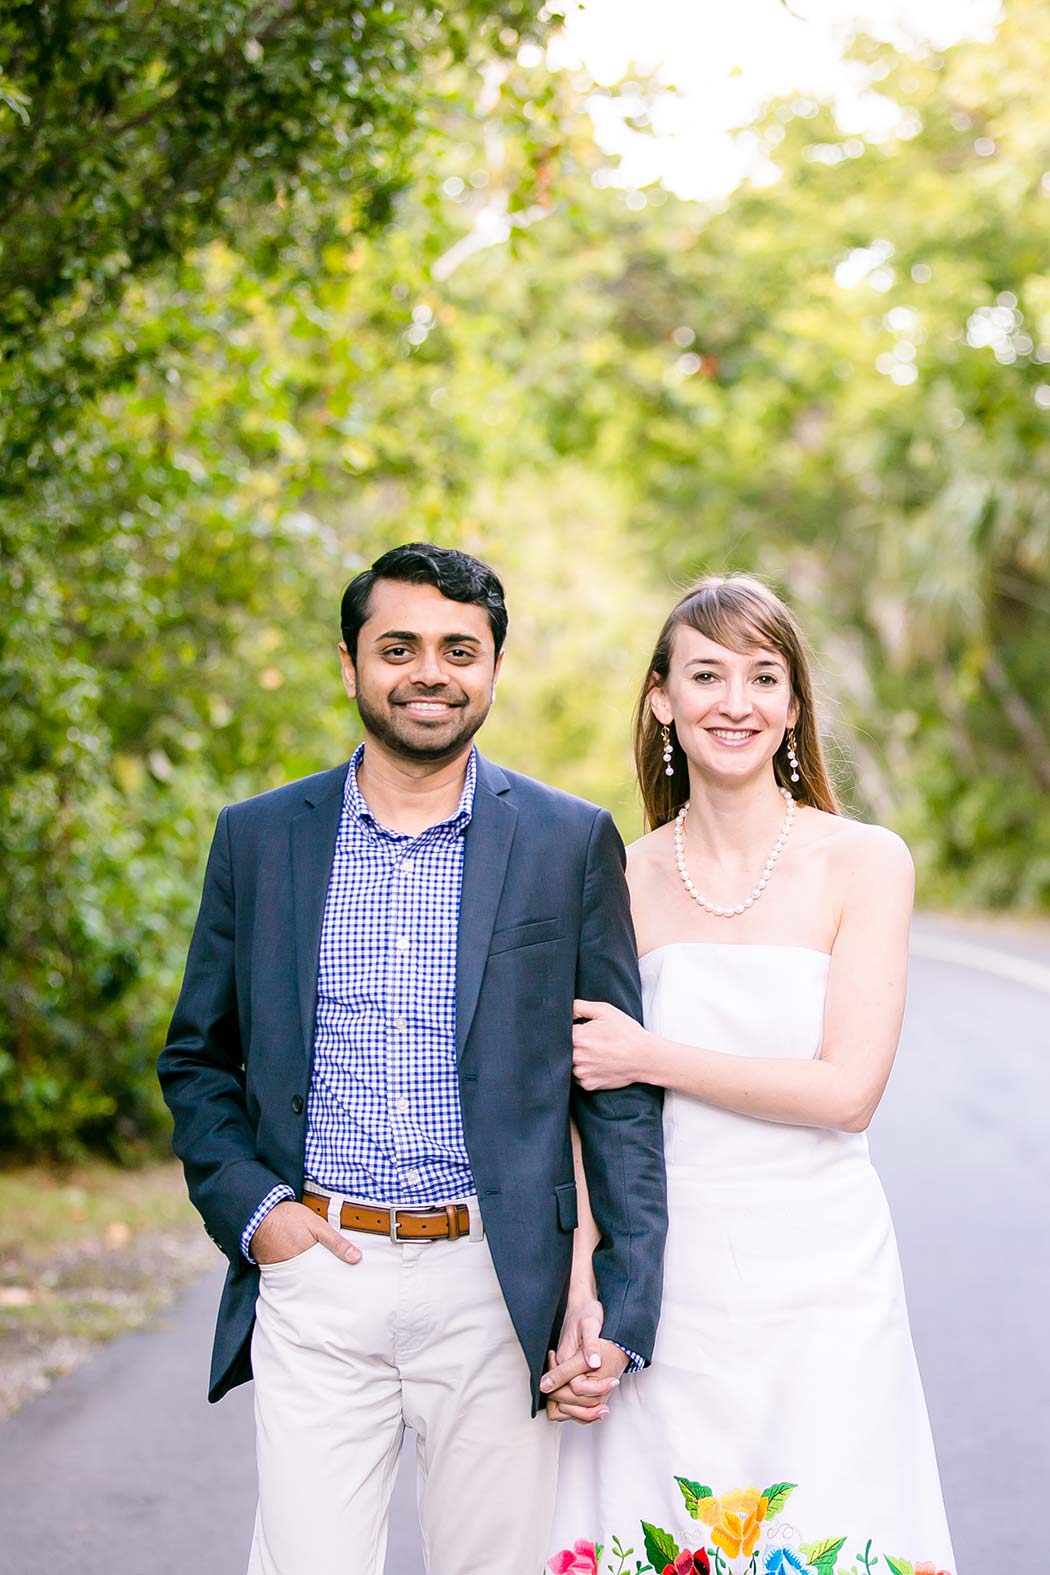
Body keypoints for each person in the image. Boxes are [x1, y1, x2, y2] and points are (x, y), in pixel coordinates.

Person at [157, 542, 667, 1575]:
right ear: (350, 666)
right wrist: (262, 1219)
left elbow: (618, 1097)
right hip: (320, 1272)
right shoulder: (258, 839)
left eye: (458, 649)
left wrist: (622, 1301)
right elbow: (198, 1059)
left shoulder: (569, 842)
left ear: (492, 667)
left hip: (495, 1280)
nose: (429, 671)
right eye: (399, 647)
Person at [545, 574, 956, 1575]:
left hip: (823, 1275)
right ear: (662, 700)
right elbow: (587, 1109)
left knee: (827, 1526)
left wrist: (652, 1055)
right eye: (708, 675)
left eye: (764, 677)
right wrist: (582, 1285)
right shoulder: (616, 875)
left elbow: (845, 1090)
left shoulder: (864, 862)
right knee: (663, 1532)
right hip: (668, 1272)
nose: (737, 701)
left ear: (793, 706)